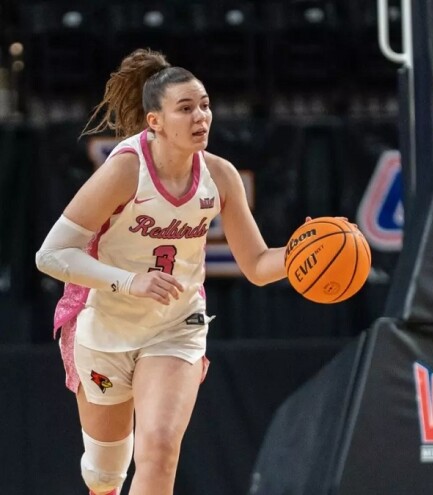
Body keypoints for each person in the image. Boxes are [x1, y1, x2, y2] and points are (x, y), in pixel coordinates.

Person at [34, 49, 292, 495]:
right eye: (186, 108)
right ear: (154, 121)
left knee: (158, 448)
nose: (201, 116)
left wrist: (302, 254)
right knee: (103, 473)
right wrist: (130, 281)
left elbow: (256, 265)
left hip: (175, 325)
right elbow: (52, 255)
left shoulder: (221, 176)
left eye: (206, 105)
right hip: (105, 322)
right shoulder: (125, 170)